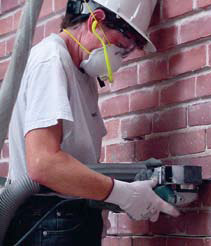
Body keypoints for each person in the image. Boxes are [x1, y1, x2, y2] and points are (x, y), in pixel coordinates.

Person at [4, 0, 179, 245]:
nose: (119, 57)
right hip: (48, 218)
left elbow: (78, 159)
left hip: (65, 214)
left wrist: (101, 202)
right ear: (94, 20)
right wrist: (121, 194)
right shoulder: (51, 61)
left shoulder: (82, 74)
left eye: (127, 52)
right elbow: (43, 163)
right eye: (119, 46)